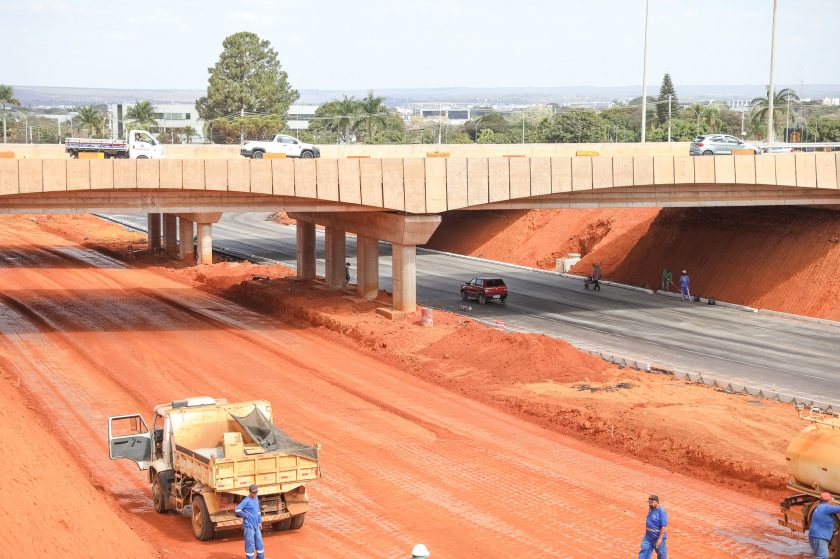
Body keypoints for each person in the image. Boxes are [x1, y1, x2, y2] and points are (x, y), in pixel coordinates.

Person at [234, 484, 265, 559]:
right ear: (249, 492)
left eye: (256, 492)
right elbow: (237, 509)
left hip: (256, 525)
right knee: (250, 544)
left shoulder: (256, 498)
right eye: (253, 492)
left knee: (259, 542)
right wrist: (245, 515)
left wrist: (259, 521)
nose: (255, 494)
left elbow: (258, 511)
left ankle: (260, 557)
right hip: (249, 526)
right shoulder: (246, 500)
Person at [808, 492, 840, 559]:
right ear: (828, 500)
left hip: (813, 536)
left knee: (820, 556)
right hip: (820, 537)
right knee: (823, 556)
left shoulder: (819, 507)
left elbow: (825, 521)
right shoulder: (826, 508)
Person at [639, 494, 668, 559]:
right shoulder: (651, 509)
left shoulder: (661, 512)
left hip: (657, 538)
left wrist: (660, 539)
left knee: (662, 556)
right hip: (648, 537)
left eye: (651, 503)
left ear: (657, 502)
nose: (650, 504)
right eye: (649, 503)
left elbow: (664, 527)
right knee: (643, 554)